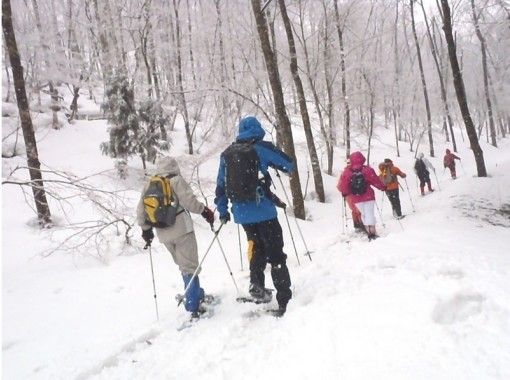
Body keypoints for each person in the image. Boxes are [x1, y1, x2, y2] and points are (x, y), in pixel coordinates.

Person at [214, 116, 294, 317]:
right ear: (258, 130)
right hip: (264, 211)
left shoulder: (227, 155)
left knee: (256, 247)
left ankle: (257, 286)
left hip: (242, 214)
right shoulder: (261, 147)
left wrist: (223, 211)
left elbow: (220, 187)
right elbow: (288, 164)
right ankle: (284, 298)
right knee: (276, 252)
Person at [137, 157, 215, 319]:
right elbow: (190, 203)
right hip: (182, 230)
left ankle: (196, 294)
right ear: (175, 167)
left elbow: (141, 210)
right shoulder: (176, 180)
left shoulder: (149, 184)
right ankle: (193, 304)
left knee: (183, 266)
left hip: (163, 233)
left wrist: (146, 230)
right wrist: (205, 211)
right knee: (189, 267)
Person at [337, 151, 386, 240]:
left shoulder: (347, 172)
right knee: (370, 214)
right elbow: (375, 181)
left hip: (356, 198)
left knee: (363, 215)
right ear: (363, 159)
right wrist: (382, 187)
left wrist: (344, 193)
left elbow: (343, 185)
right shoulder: (367, 169)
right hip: (368, 196)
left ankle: (368, 231)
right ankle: (372, 233)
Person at [339, 159, 365, 232]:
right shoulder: (357, 171)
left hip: (347, 195)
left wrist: (344, 192)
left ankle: (356, 225)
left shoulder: (344, 173)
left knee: (354, 210)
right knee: (359, 209)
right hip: (357, 193)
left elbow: (339, 186)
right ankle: (362, 225)